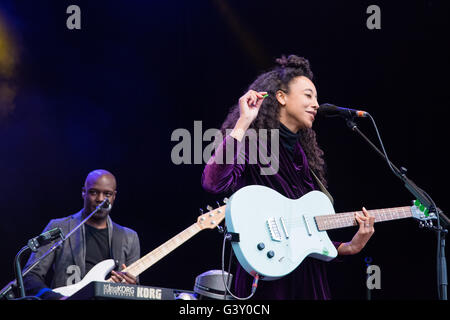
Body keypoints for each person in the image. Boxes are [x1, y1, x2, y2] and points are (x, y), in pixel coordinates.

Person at [201, 55, 375, 300]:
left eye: (315, 97)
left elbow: (304, 230)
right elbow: (213, 182)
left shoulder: (306, 159)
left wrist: (348, 247)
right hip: (267, 276)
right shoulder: (254, 143)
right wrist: (244, 122)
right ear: (281, 97)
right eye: (308, 95)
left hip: (309, 280)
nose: (316, 104)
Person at [23, 169, 140, 300]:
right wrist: (55, 298)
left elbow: (134, 291)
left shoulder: (129, 238)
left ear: (114, 196)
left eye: (107, 194)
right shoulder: (59, 228)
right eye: (93, 192)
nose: (100, 199)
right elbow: (30, 275)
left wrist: (132, 286)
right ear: (83, 192)